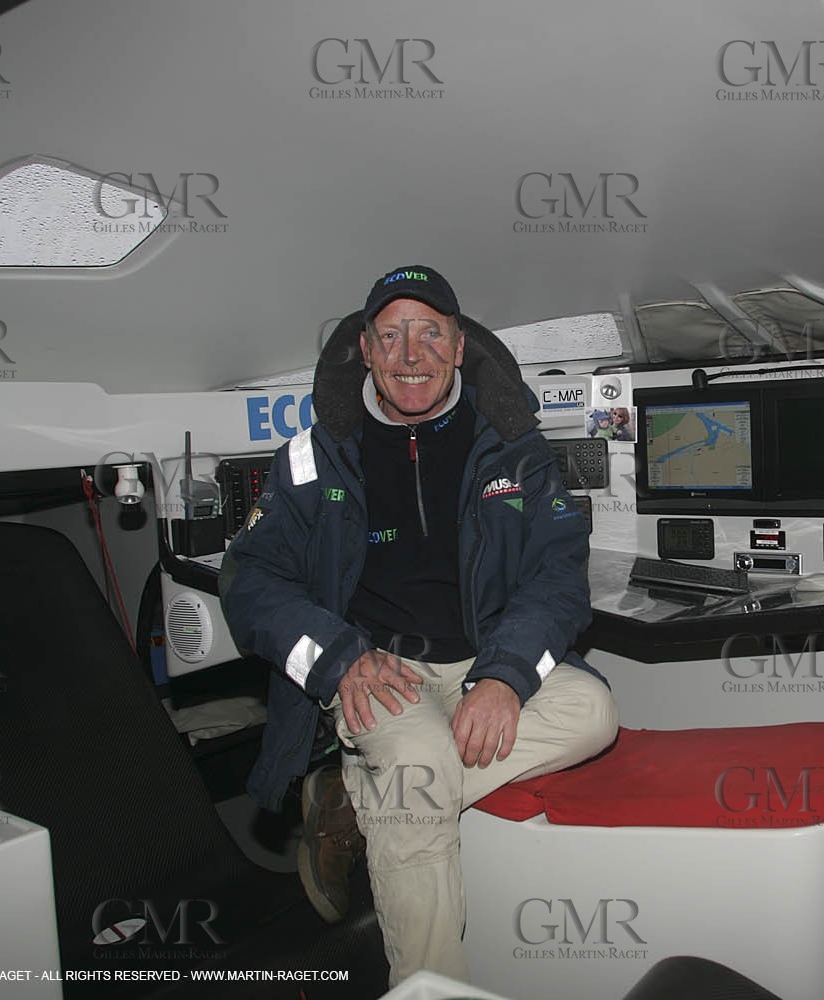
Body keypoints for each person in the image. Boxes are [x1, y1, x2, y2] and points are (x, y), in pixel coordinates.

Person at [220, 265, 618, 986]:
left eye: (430, 332)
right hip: (380, 672)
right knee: (420, 769)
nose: (412, 354)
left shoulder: (512, 446)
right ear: (365, 350)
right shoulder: (313, 459)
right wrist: (338, 659)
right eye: (392, 336)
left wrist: (503, 675)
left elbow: (556, 574)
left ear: (459, 346)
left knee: (592, 711)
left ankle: (356, 802)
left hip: (481, 662)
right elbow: (251, 581)